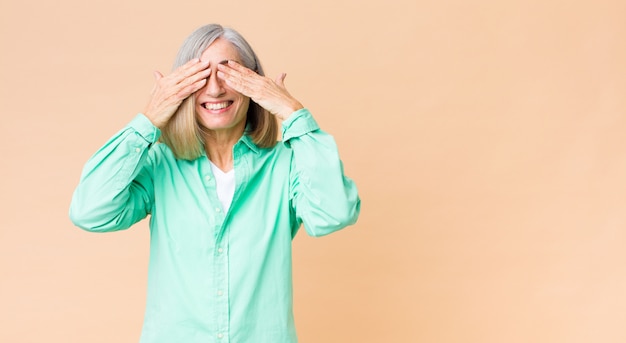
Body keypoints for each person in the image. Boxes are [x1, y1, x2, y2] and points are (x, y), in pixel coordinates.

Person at [69, 24, 360, 343]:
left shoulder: (286, 165)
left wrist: (292, 113)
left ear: (253, 84)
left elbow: (335, 213)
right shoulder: (160, 165)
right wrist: (148, 120)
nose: (215, 90)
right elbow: (90, 211)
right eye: (199, 77)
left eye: (228, 74)